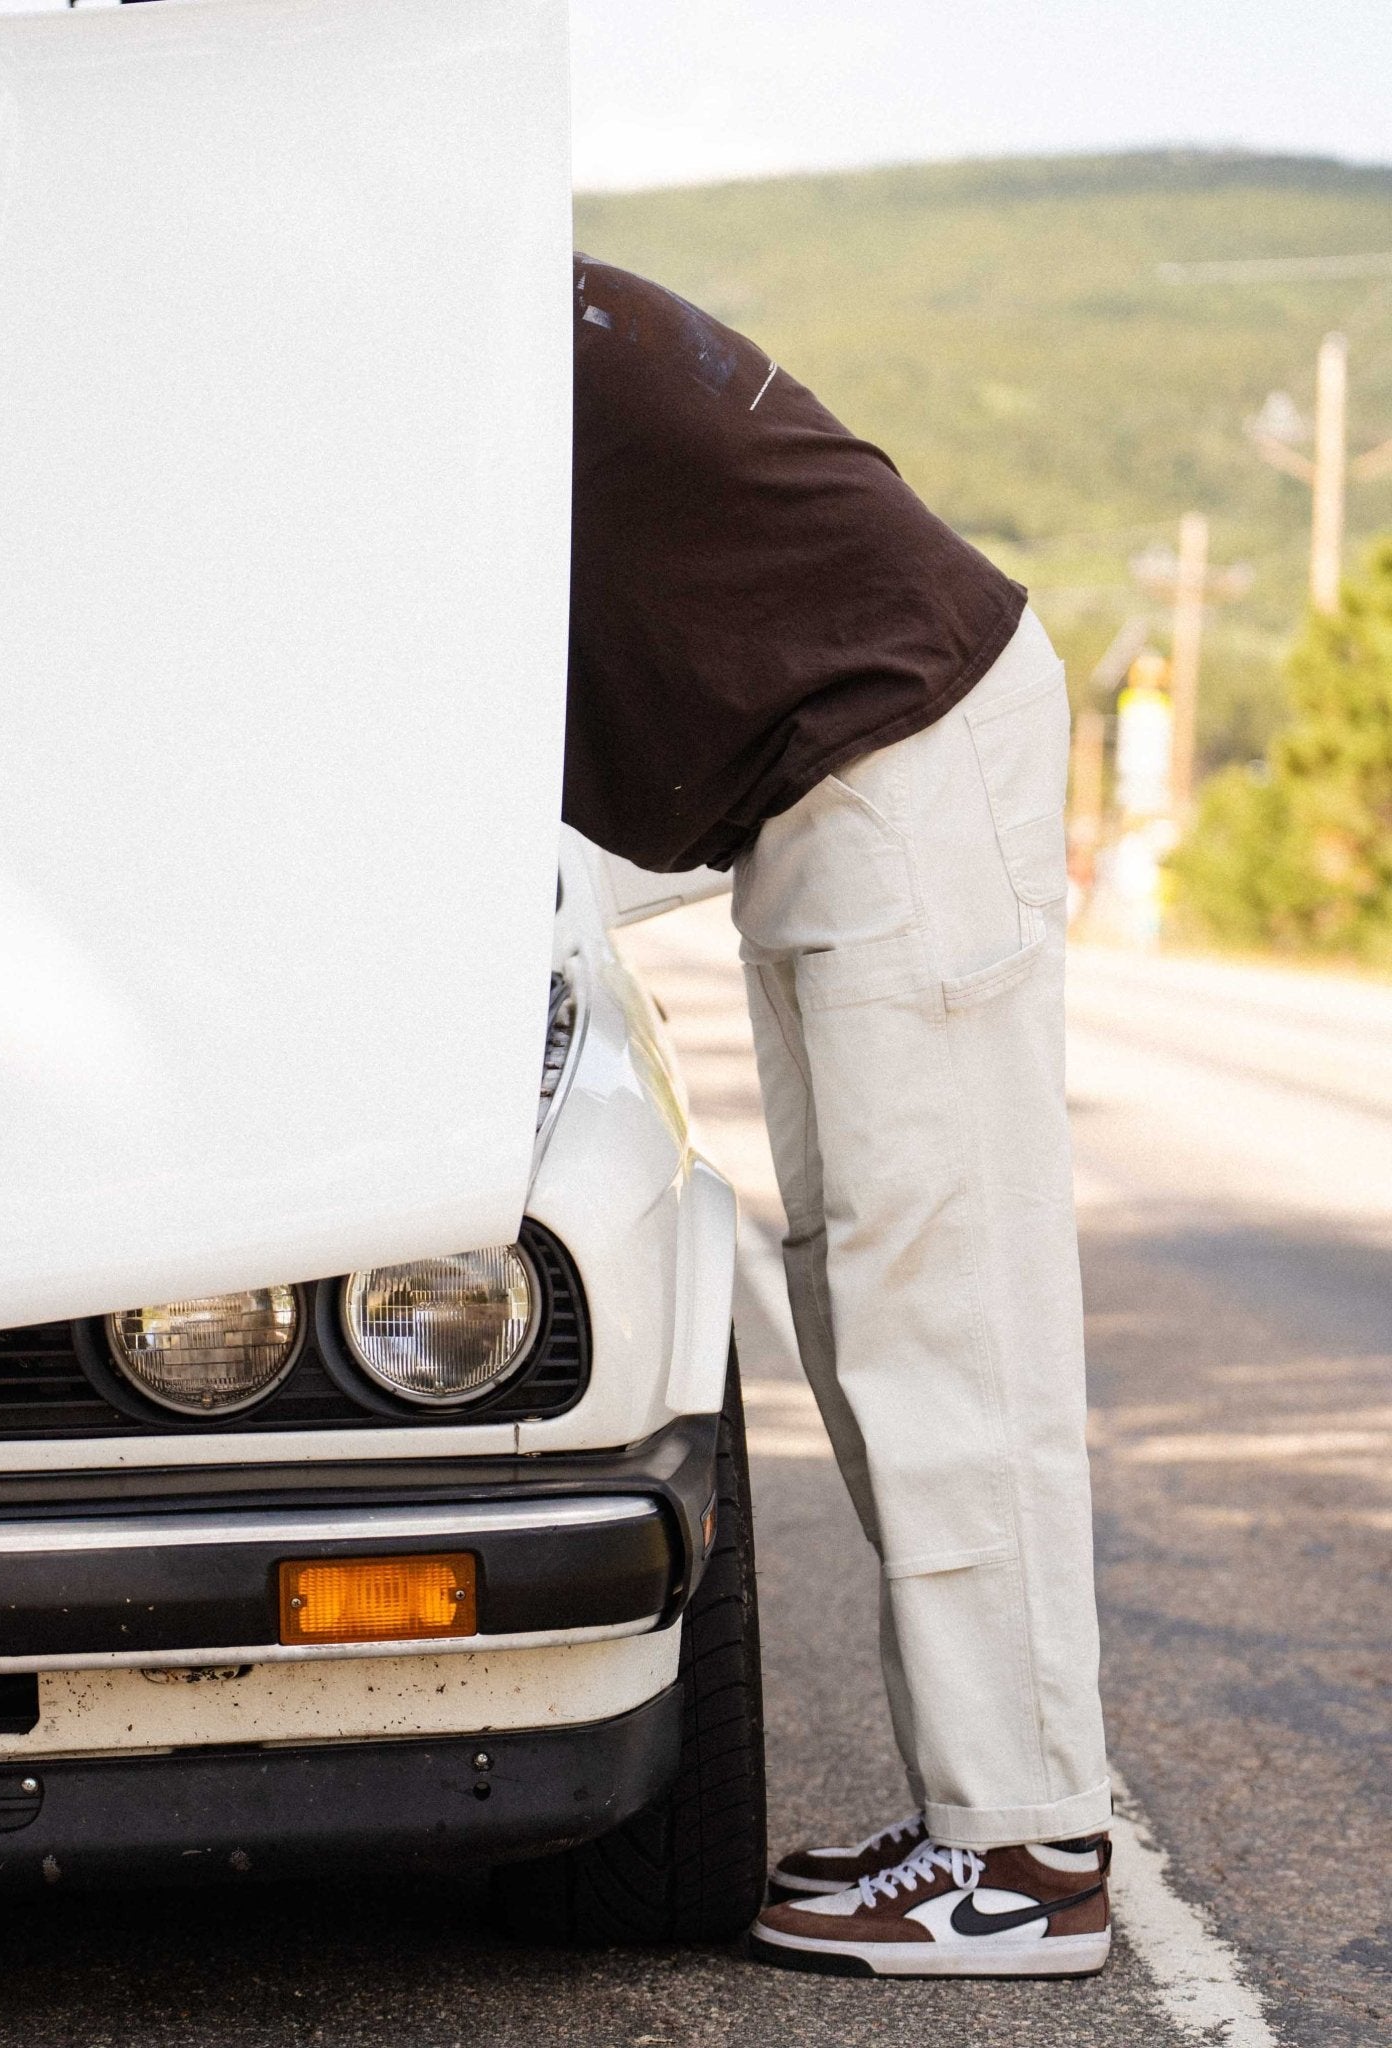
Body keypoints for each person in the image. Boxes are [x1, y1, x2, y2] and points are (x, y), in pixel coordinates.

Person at [566, 255, 1112, 1980]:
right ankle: (986, 1814)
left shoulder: (451, 335)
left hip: (903, 760)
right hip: (842, 785)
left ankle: (1027, 1858)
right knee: (872, 1310)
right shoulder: (492, 296)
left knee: (946, 1324)